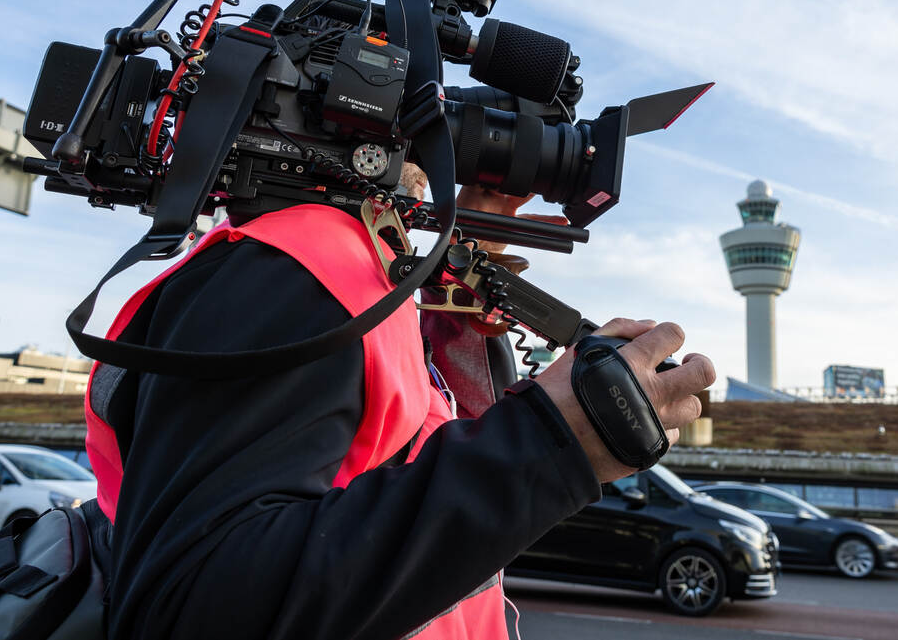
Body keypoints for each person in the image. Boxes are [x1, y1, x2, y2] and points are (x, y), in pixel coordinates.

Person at [82, 168, 715, 640]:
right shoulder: (300, 270)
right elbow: (191, 609)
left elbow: (408, 464)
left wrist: (462, 298)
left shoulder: (367, 287)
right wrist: (550, 445)